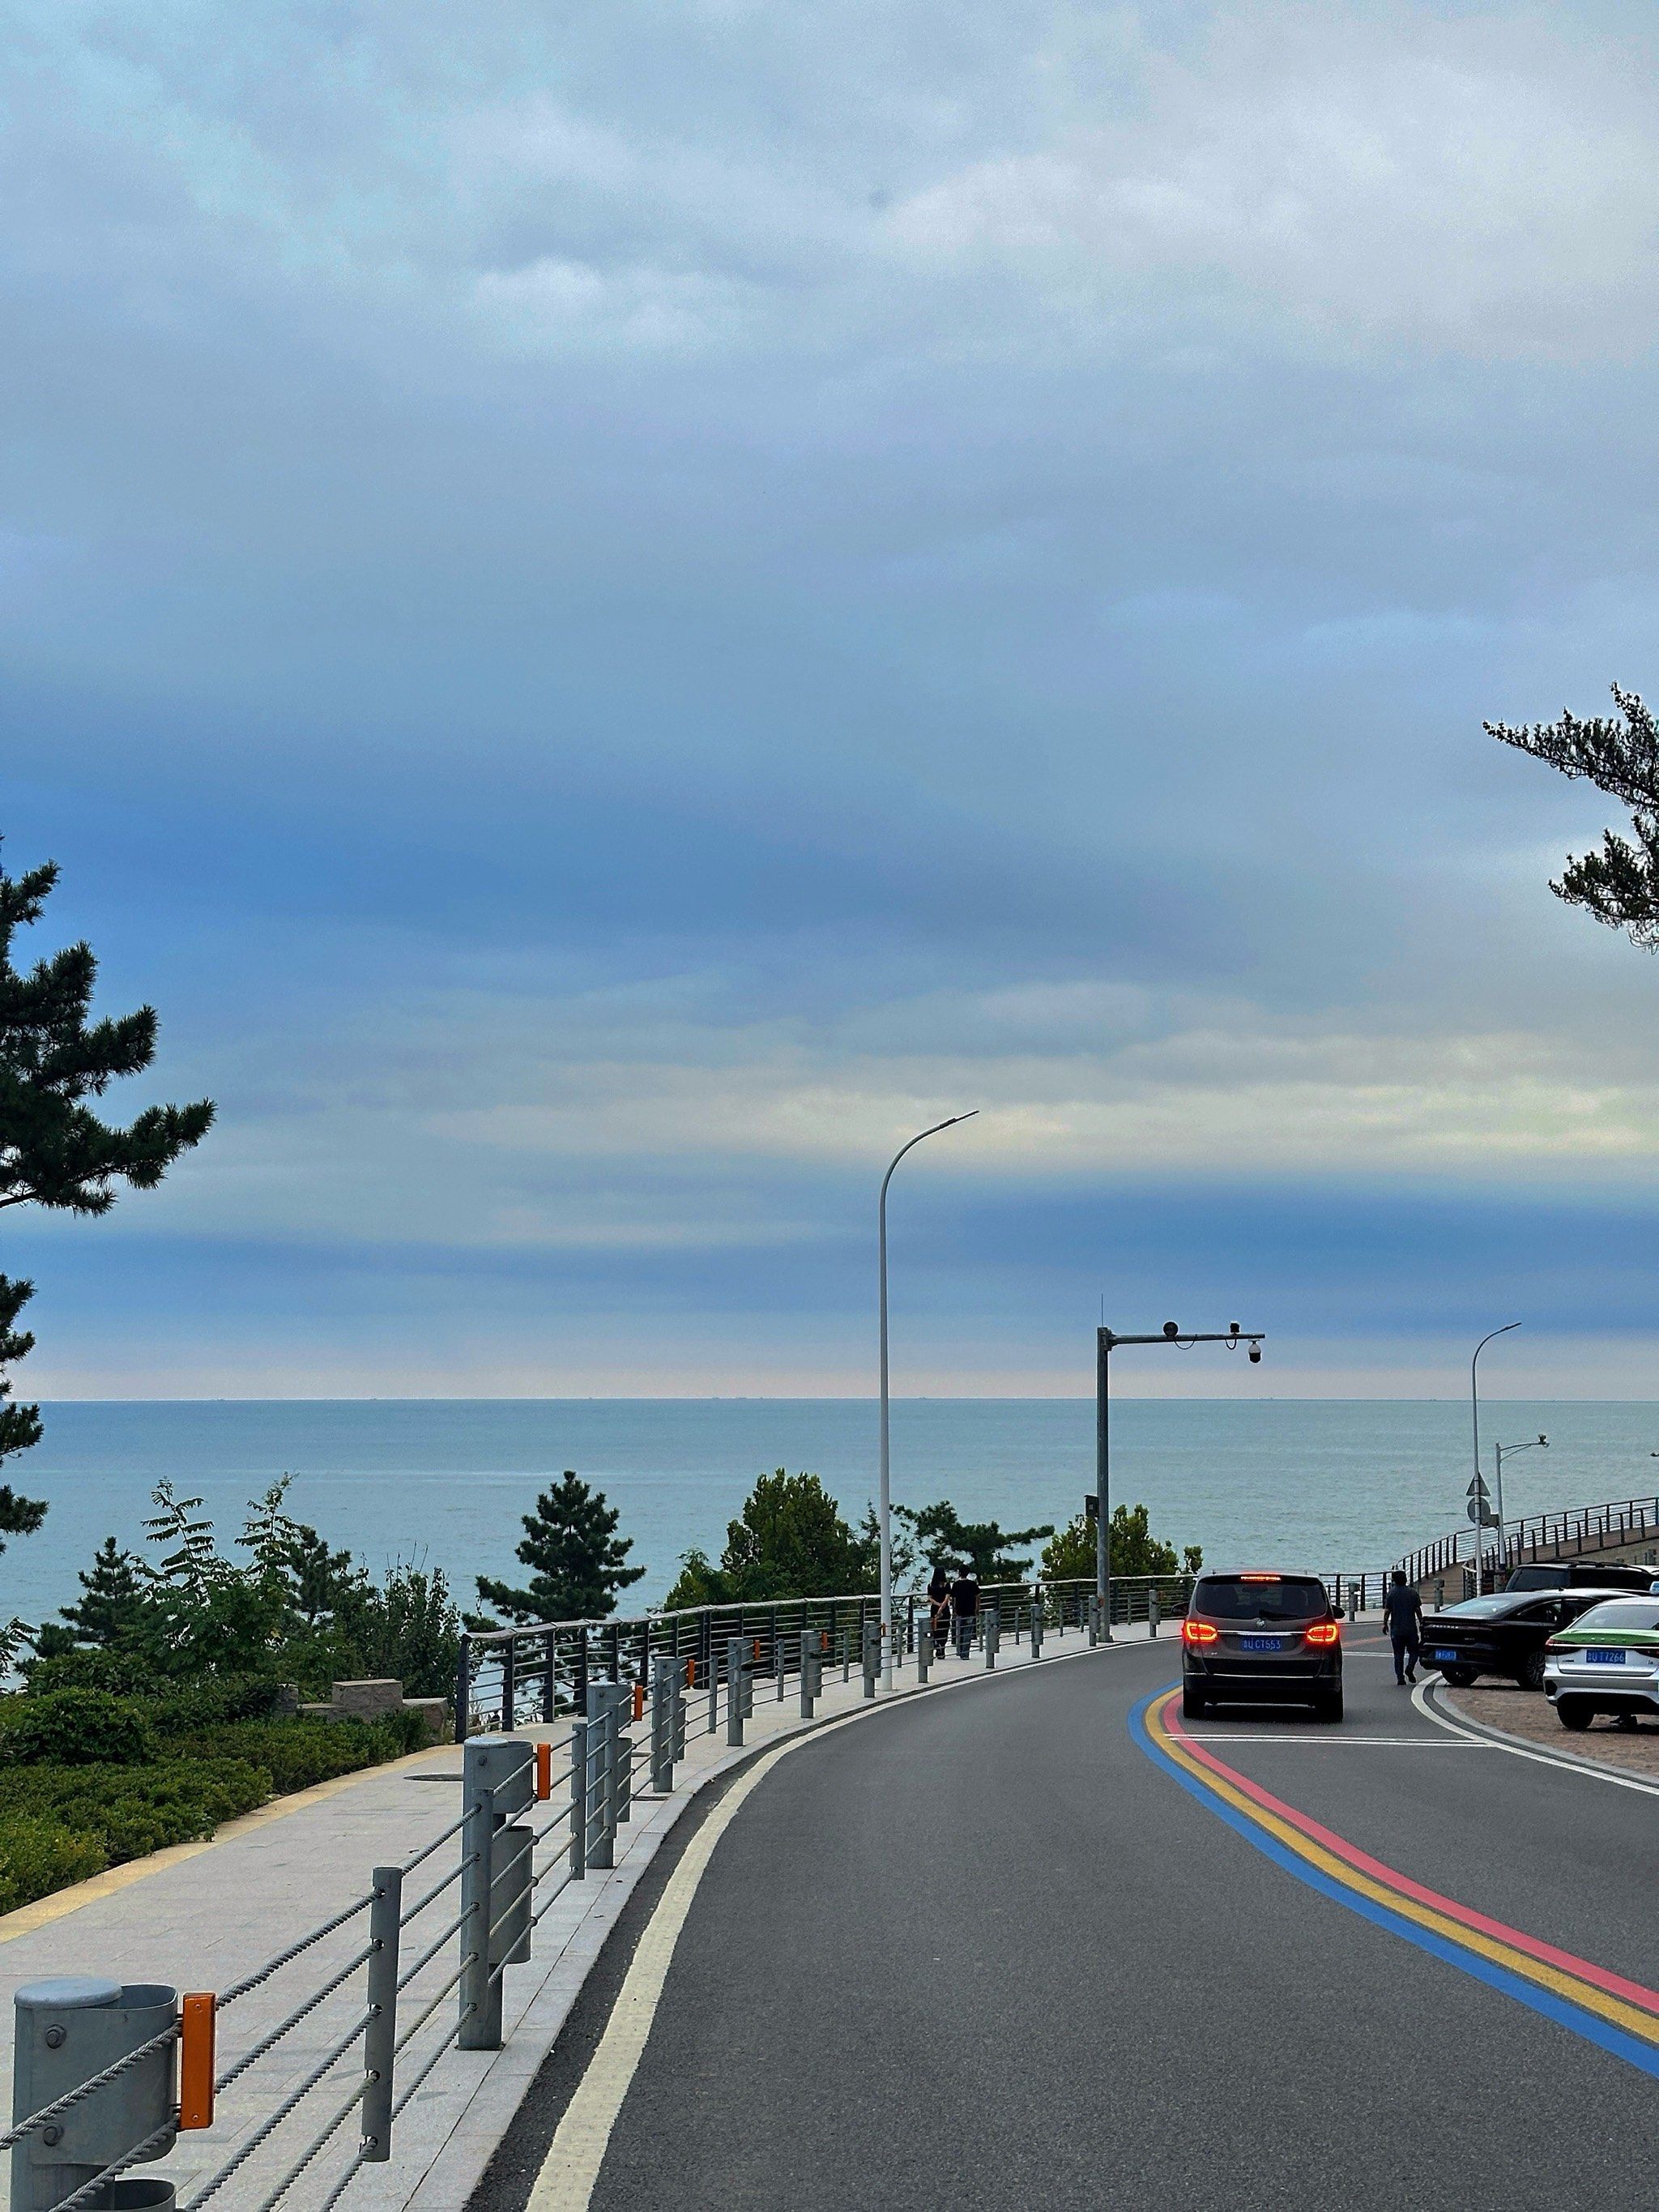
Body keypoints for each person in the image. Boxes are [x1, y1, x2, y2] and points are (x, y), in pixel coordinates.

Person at [1384, 1569, 1422, 1685]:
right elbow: (1418, 1610)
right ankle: (1410, 1668)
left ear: (1394, 1581)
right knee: (1414, 1652)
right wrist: (1421, 1623)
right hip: (1410, 1629)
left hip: (1396, 1629)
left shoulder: (1391, 1594)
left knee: (1398, 1655)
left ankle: (1400, 1678)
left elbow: (1387, 1611)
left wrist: (1385, 1623)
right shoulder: (1412, 1593)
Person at [951, 1565, 980, 1659]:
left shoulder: (956, 1585)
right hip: (970, 1611)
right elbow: (978, 1596)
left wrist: (954, 1610)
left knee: (959, 1632)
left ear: (960, 1573)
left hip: (959, 1611)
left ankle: (959, 1651)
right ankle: (965, 1653)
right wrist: (977, 1608)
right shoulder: (972, 1584)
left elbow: (953, 1598)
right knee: (967, 1633)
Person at [927, 1562, 951, 1659]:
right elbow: (947, 1597)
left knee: (935, 1628)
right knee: (945, 1628)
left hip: (934, 1609)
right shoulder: (946, 1585)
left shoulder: (931, 1585)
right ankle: (942, 1647)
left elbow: (930, 1598)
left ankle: (937, 1646)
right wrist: (942, 1606)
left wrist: (937, 1604)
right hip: (945, 1610)